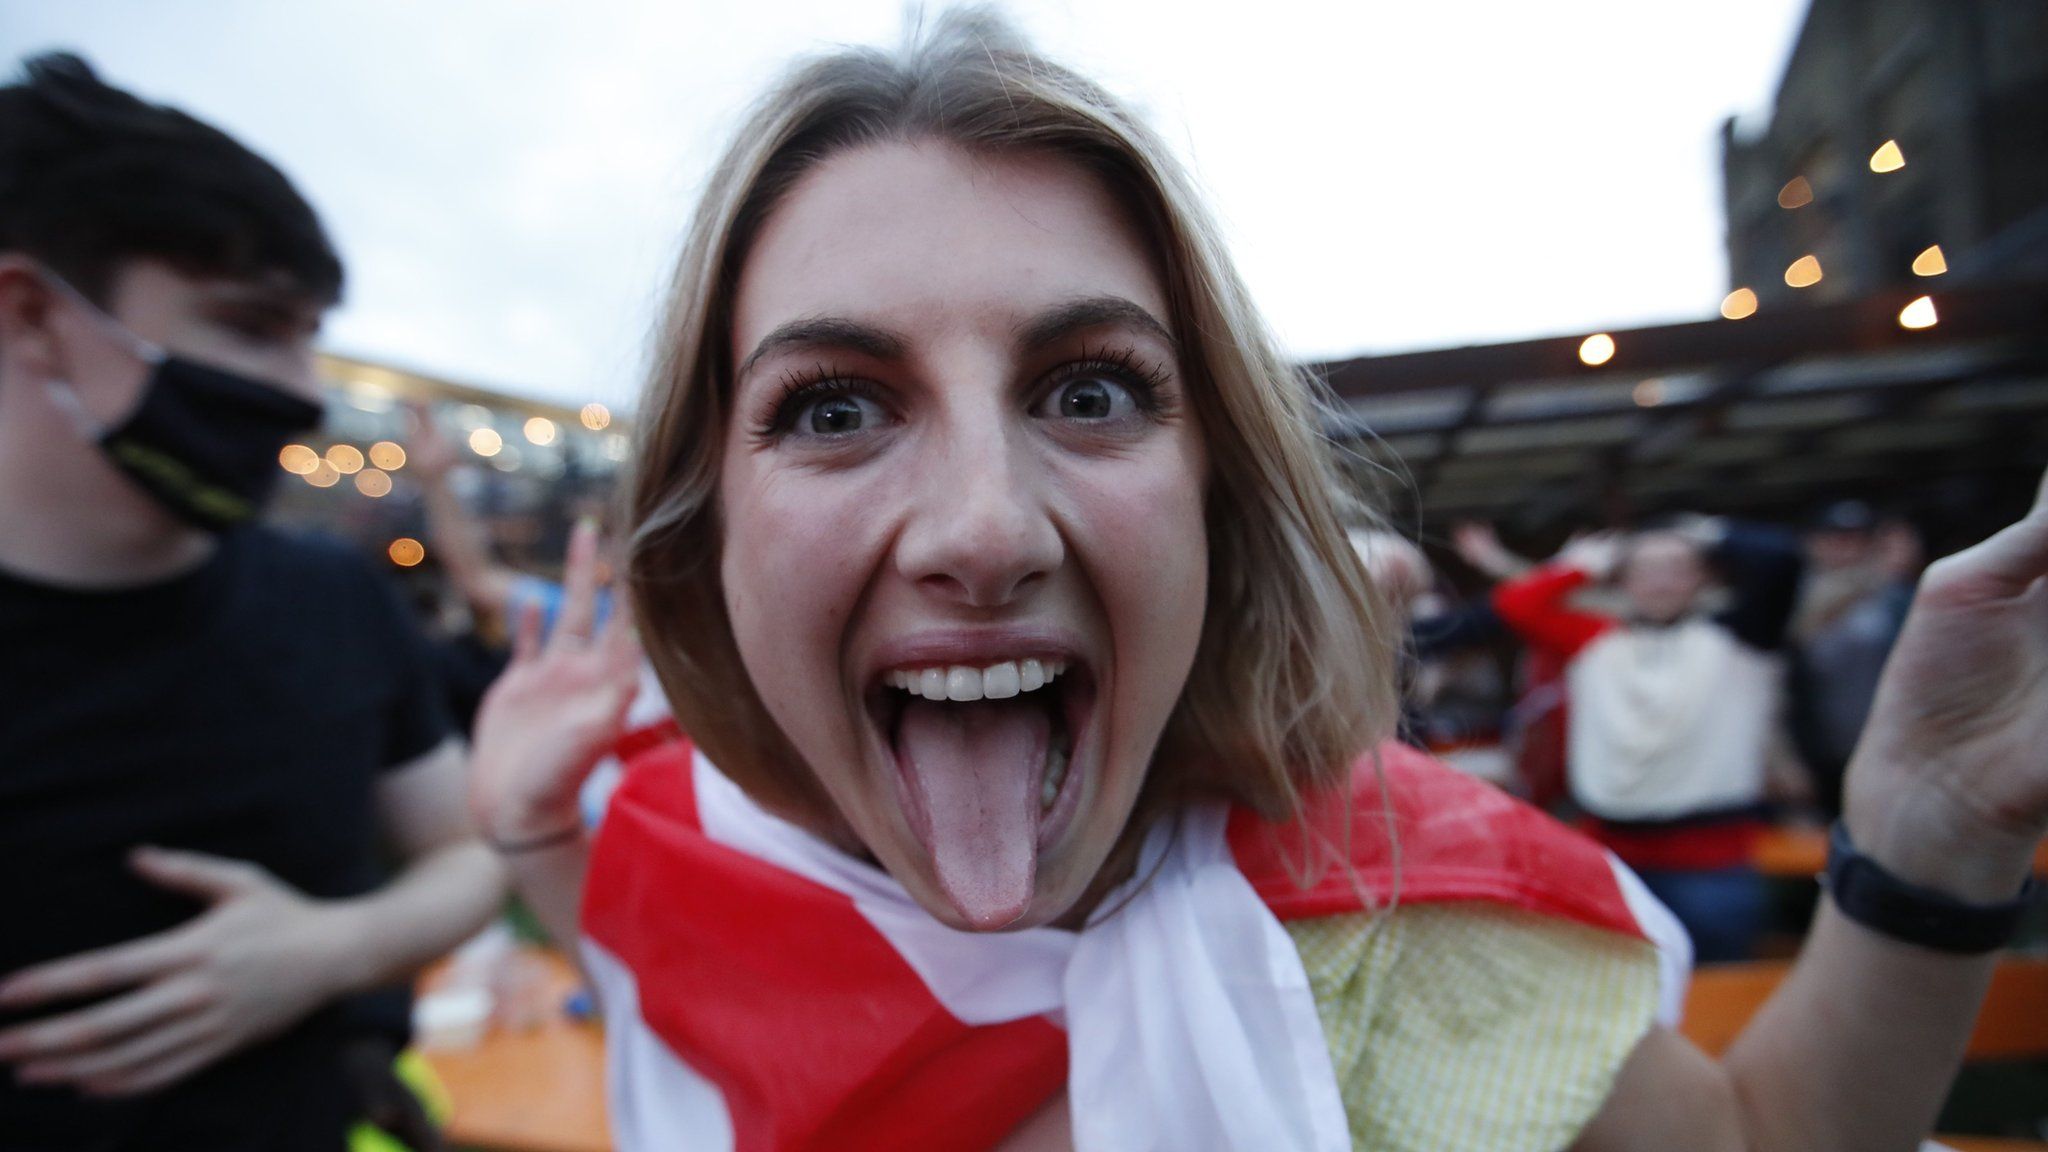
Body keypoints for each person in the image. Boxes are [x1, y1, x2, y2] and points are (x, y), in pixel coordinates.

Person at [470, 13, 2048, 1151]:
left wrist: (1928, 830)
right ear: (710, 536)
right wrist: (524, 819)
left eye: (1090, 391)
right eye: (833, 407)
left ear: (1216, 490)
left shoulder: (1385, 935)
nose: (985, 529)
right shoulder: (686, 847)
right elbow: (618, 918)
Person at [0, 54, 504, 1151]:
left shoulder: (333, 601)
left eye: (310, 336)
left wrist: (330, 949)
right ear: (34, 313)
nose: (304, 390)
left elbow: (473, 854)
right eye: (250, 326)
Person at [1491, 520, 1804, 962]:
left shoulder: (1741, 639)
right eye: (1646, 569)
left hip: (1712, 862)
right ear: (1624, 581)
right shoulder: (1593, 639)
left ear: (1702, 578)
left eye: (1677, 568)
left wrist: (1704, 530)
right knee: (1624, 995)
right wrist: (1578, 567)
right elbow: (1516, 605)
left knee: (1718, 997)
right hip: (1616, 861)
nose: (1661, 582)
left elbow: (1782, 560)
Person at [1788, 502, 1923, 817]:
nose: (1844, 548)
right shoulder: (1791, 600)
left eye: (1856, 539)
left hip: (1892, 748)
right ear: (1812, 542)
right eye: (1833, 538)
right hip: (1817, 755)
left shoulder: (1898, 597)